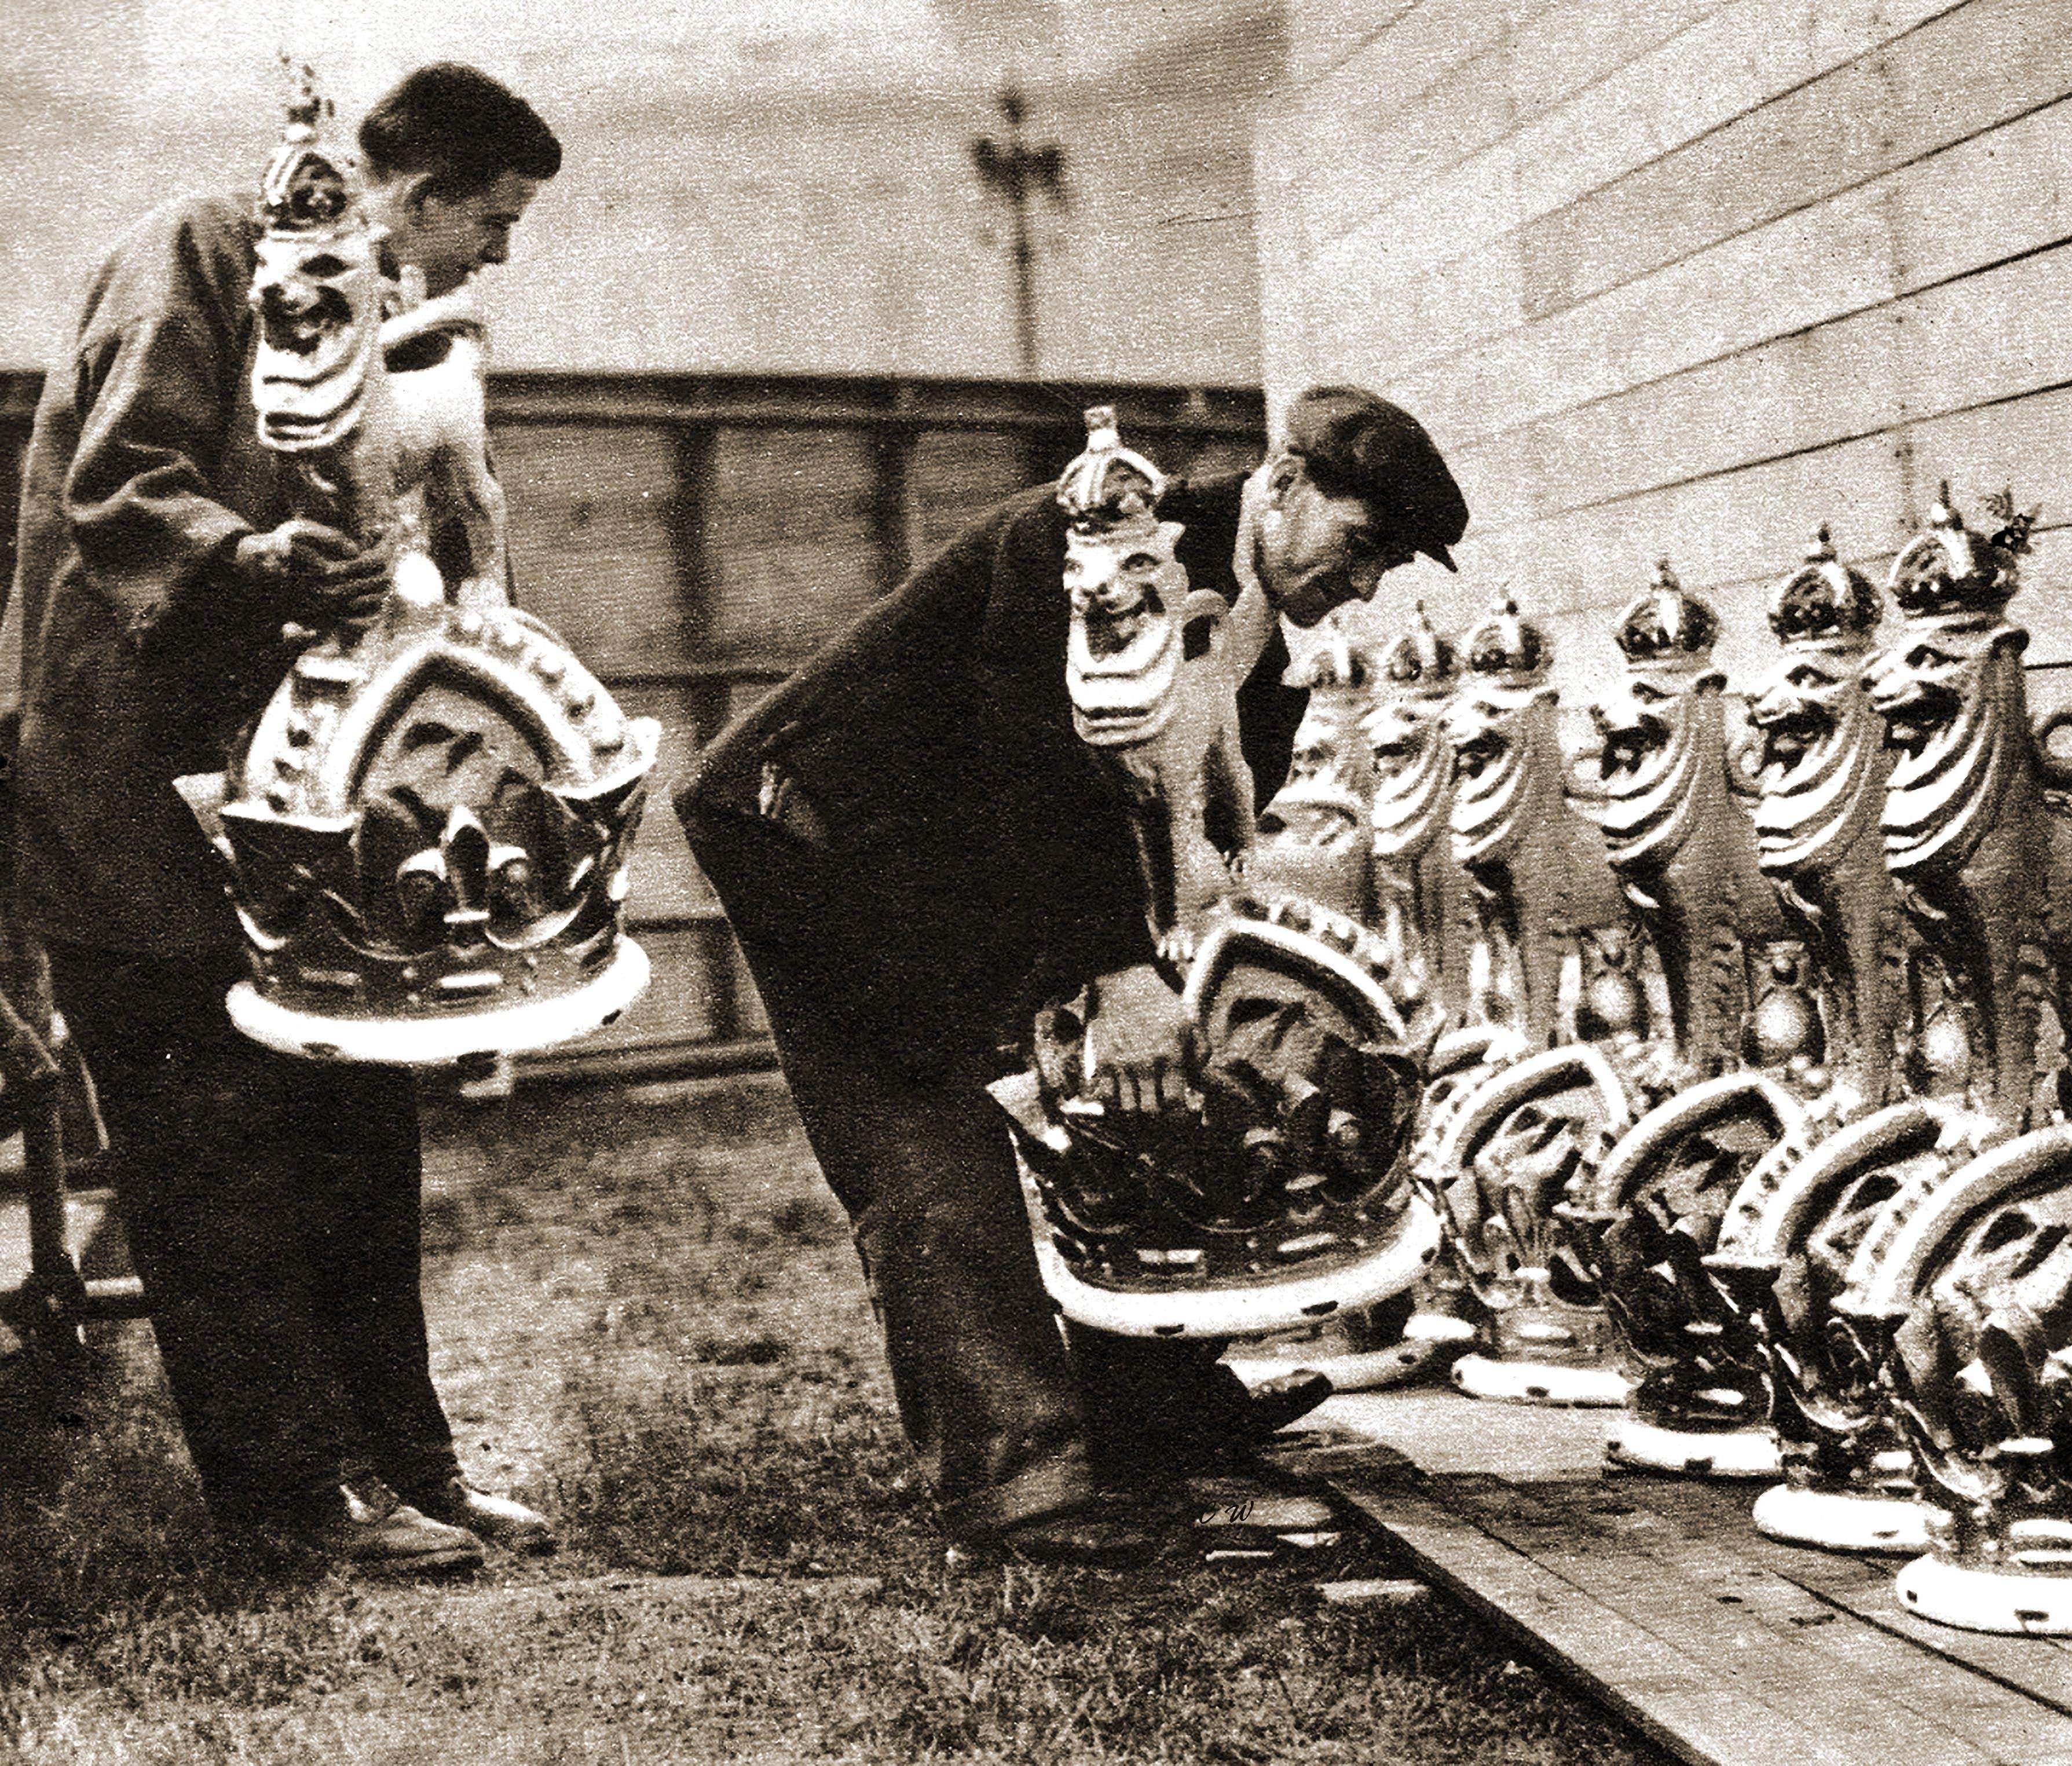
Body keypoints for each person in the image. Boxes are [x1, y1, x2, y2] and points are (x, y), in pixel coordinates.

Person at [677, 387, 1469, 1563]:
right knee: (932, 1143)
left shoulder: (1248, 627)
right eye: (1364, 548)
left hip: (966, 866)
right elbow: (1034, 759)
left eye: (1390, 566)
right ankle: (1021, 1493)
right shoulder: (1090, 538)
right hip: (821, 841)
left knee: (1132, 1102)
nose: (1365, 586)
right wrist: (1113, 972)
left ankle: (1153, 1414)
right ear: (1286, 486)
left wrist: (1166, 977)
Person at [8, 63, 565, 1574]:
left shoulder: (387, 325)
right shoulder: (197, 249)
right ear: (423, 189)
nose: (494, 259)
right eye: (494, 225)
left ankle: (412, 1465)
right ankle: (286, 1504)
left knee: (355, 1134)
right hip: (128, 807)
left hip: (288, 810)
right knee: (212, 1168)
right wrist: (253, 561)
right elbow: (124, 488)